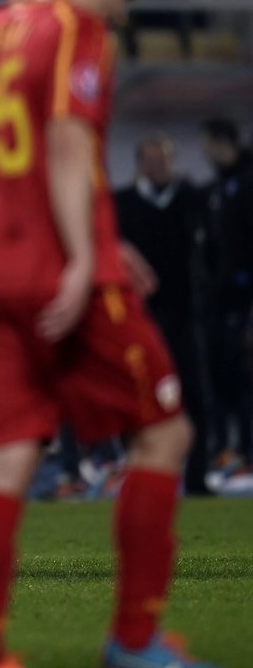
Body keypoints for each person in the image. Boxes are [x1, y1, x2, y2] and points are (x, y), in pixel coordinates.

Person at [0, 0, 230, 668]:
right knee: (165, 434)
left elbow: (14, 159)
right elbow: (70, 143)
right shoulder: (75, 30)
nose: (122, 15)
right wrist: (85, 259)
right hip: (61, 270)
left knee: (8, 457)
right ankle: (134, 641)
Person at [115, 134, 213, 495]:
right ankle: (138, 474)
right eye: (152, 160)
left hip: (186, 314)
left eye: (164, 160)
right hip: (137, 318)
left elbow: (211, 253)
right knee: (135, 395)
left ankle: (198, 477)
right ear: (140, 164)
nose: (159, 167)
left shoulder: (191, 201)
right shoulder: (121, 204)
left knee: (196, 395)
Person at [200, 118, 253, 475]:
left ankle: (249, 452)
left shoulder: (248, 184)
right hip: (220, 300)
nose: (205, 152)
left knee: (246, 377)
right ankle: (226, 449)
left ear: (225, 141)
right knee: (221, 377)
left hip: (245, 298)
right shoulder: (215, 188)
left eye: (209, 144)